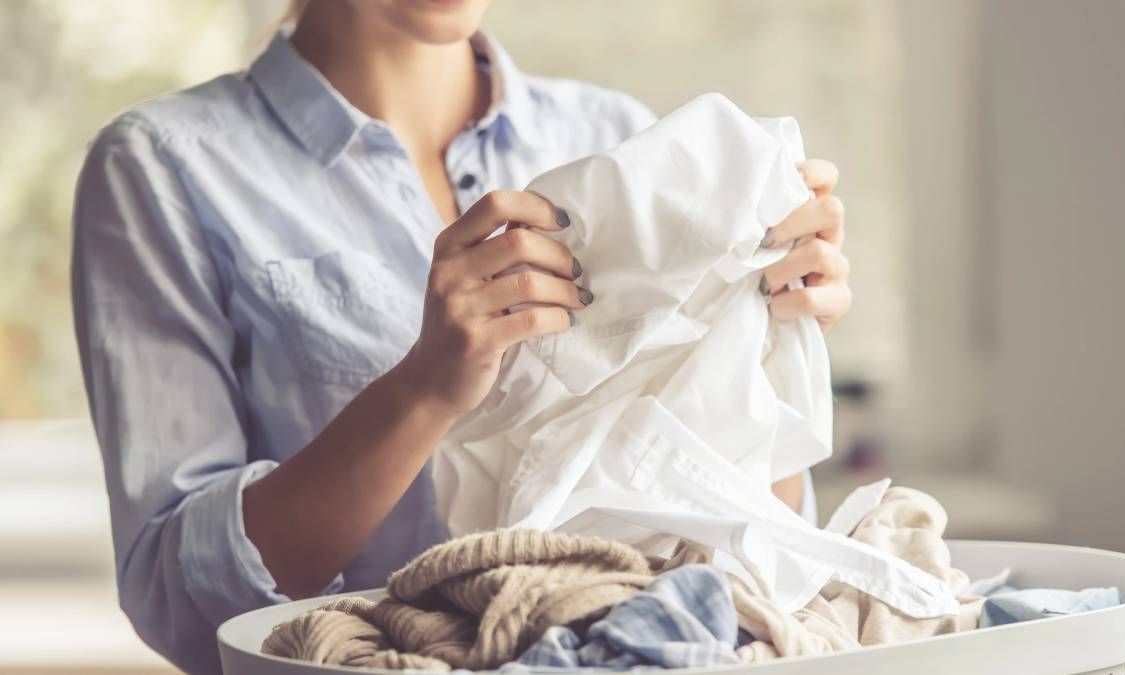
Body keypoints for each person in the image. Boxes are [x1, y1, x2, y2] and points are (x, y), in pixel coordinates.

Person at [71, 1, 851, 672]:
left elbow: (756, 548)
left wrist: (772, 333)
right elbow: (181, 602)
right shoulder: (162, 169)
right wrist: (424, 388)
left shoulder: (620, 136)